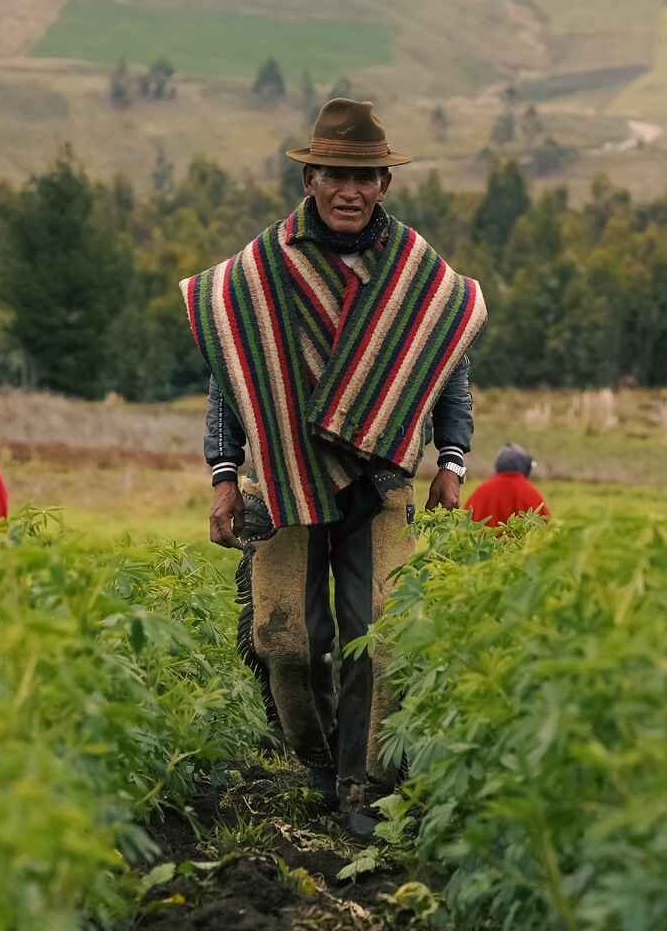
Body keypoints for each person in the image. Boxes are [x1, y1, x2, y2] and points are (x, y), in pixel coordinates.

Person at [181, 99, 486, 835]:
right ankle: (315, 760)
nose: (348, 189)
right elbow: (231, 380)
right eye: (332, 174)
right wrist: (224, 474)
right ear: (310, 178)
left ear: (384, 183)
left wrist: (451, 458)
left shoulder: (418, 273)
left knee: (375, 635)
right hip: (283, 481)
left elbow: (448, 367)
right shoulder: (259, 273)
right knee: (286, 636)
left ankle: (361, 781)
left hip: (380, 482)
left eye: (364, 176)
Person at [463, 443, 549, 528]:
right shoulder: (530, 492)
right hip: (523, 542)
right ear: (524, 466)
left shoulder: (480, 491)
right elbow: (547, 525)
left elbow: (464, 521)